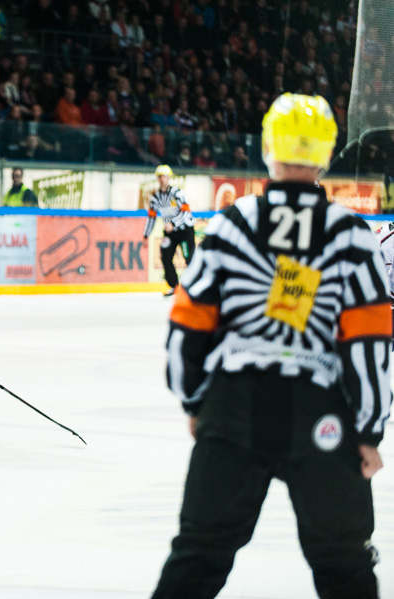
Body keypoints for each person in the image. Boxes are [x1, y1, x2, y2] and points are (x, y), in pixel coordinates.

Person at [152, 94, 391, 598]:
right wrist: (368, 430)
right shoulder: (352, 236)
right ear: (326, 154)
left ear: (267, 148)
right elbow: (369, 346)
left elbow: (186, 327)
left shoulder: (232, 226)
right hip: (321, 414)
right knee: (345, 563)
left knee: (198, 556)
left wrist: (198, 402)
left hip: (234, 406)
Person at [143, 165, 195, 296]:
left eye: (164, 176)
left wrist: (173, 222)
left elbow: (185, 212)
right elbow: (151, 217)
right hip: (170, 232)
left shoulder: (177, 193)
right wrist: (146, 235)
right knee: (165, 256)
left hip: (185, 230)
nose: (162, 179)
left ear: (169, 178)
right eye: (159, 176)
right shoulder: (155, 198)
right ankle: (174, 286)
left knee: (189, 258)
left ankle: (194, 285)